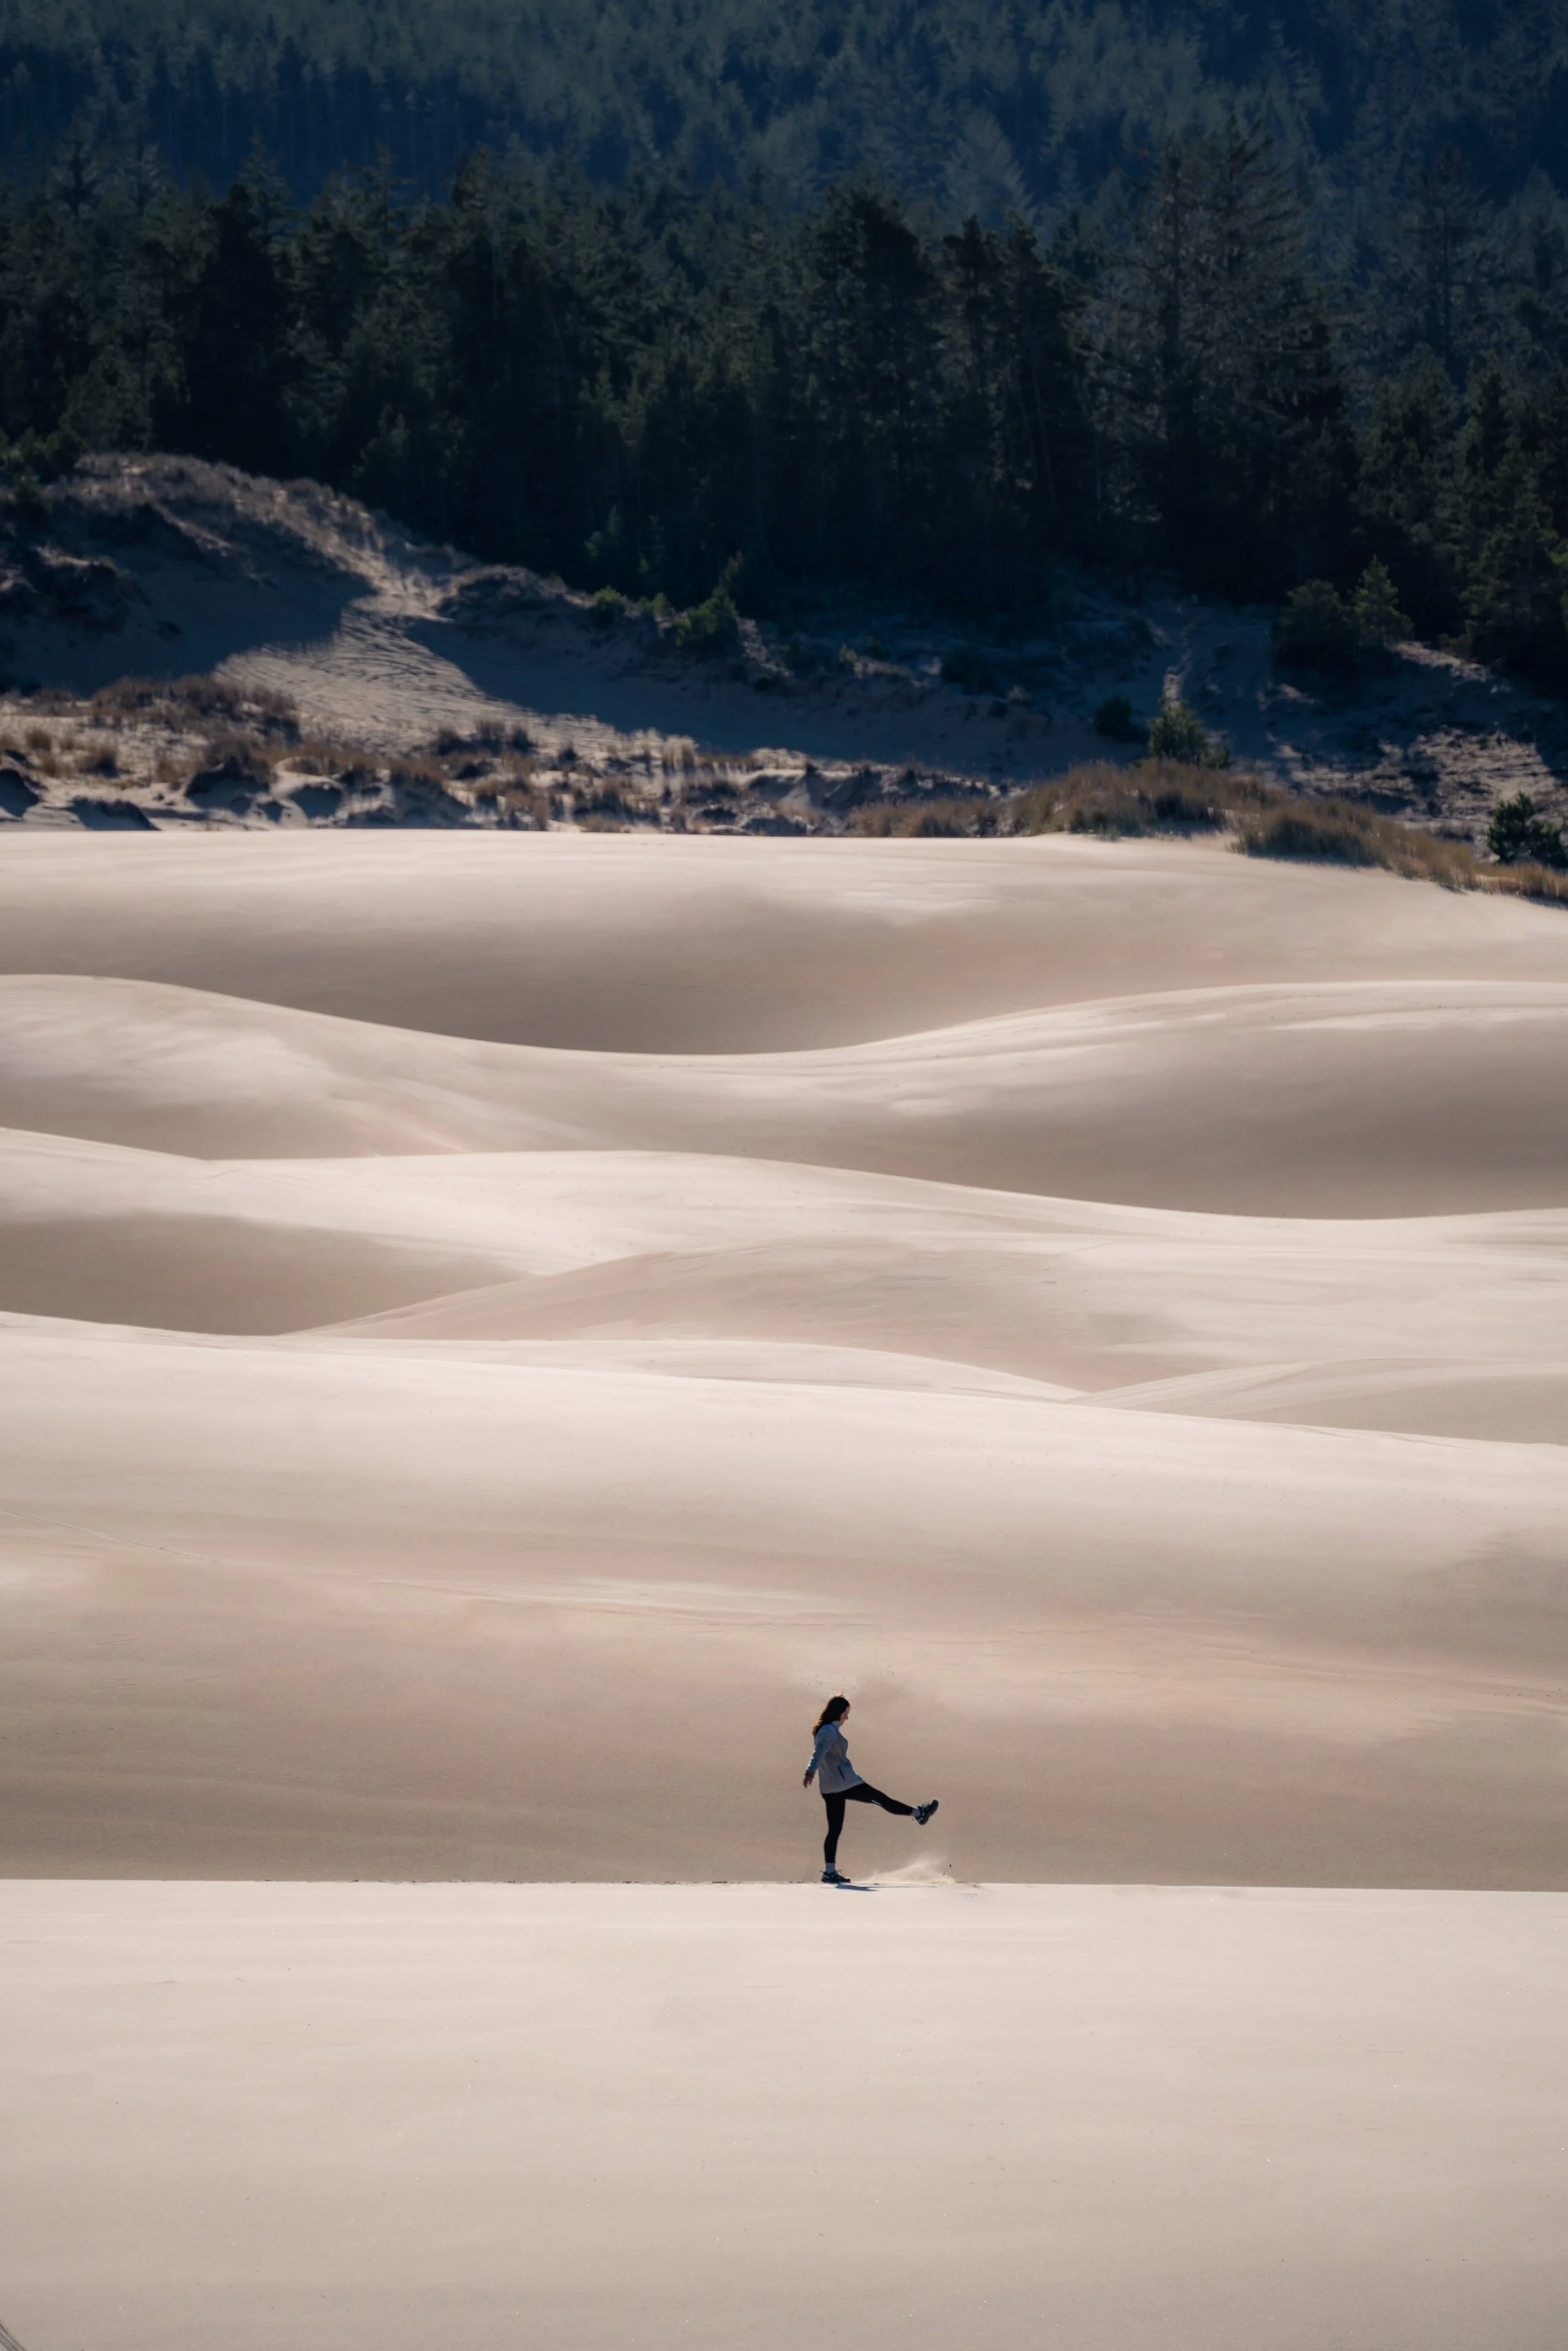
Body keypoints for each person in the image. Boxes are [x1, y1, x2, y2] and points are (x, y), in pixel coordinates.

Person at [802, 1694, 937, 1885]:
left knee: (834, 1830)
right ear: (840, 1713)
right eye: (846, 1714)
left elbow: (822, 1753)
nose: (847, 1718)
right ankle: (919, 1814)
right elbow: (819, 1753)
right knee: (882, 1800)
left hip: (831, 1787)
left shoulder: (828, 1730)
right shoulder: (828, 1732)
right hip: (845, 1784)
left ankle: (830, 1873)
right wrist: (810, 1771)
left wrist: (812, 1772)